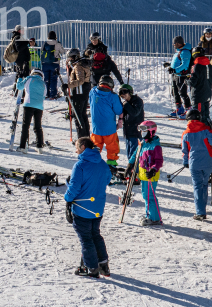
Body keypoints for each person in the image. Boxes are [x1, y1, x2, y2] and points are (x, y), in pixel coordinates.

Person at [64, 137, 112, 279]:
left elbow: (74, 188)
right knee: (95, 234)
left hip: (82, 208)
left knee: (86, 238)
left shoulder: (80, 165)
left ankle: (91, 268)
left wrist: (67, 198)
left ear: (84, 147)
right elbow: (107, 179)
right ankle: (103, 265)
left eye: (77, 147)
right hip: (97, 208)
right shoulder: (102, 163)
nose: (76, 150)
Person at [181, 110, 212, 221]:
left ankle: (200, 212)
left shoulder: (185, 133)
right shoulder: (206, 130)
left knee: (197, 186)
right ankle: (203, 208)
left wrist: (185, 162)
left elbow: (184, 151)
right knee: (204, 184)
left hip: (194, 163)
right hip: (208, 162)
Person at [133, 121, 163, 226]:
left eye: (144, 130)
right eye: (141, 130)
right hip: (144, 175)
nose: (142, 132)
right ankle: (150, 215)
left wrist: (153, 169)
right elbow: (135, 154)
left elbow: (159, 161)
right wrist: (130, 164)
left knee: (150, 196)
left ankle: (154, 218)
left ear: (151, 131)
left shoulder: (156, 145)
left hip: (151, 175)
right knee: (146, 196)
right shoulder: (143, 143)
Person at [89, 76, 123, 168]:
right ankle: (111, 163)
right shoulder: (113, 96)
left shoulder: (92, 92)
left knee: (95, 146)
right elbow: (119, 111)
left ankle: (92, 163)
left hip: (96, 128)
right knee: (112, 146)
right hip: (109, 129)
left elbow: (90, 102)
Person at [15, 70, 46, 153]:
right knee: (38, 126)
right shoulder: (43, 83)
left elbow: (19, 87)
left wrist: (19, 79)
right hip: (40, 106)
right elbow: (44, 96)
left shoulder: (29, 78)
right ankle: (40, 146)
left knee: (25, 126)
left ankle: (23, 146)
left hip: (28, 104)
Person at [65, 49, 92, 139]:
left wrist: (68, 85)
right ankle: (86, 136)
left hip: (79, 92)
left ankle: (82, 137)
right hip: (84, 91)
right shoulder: (83, 64)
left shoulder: (78, 66)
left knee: (78, 114)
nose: (70, 60)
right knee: (83, 114)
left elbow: (80, 80)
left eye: (71, 58)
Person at [188, 47, 212, 128]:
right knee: (206, 115)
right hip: (207, 93)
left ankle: (201, 134)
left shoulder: (196, 66)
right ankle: (209, 131)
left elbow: (193, 82)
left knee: (198, 116)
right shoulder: (209, 65)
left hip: (198, 95)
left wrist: (187, 80)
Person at [166, 36, 193, 118]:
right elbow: (177, 62)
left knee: (182, 93)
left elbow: (185, 64)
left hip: (182, 75)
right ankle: (179, 109)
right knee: (174, 92)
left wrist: (175, 70)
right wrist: (169, 65)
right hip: (176, 75)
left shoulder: (185, 52)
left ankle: (188, 110)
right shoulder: (178, 51)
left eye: (174, 43)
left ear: (178, 43)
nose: (173, 44)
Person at [118, 84, 144, 161]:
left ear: (130, 92)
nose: (123, 95)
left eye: (124, 92)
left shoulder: (138, 101)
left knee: (135, 153)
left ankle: (136, 169)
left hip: (135, 131)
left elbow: (135, 112)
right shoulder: (125, 103)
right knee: (129, 153)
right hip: (128, 132)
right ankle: (131, 168)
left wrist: (126, 105)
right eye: (121, 93)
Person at [41, 31, 64, 99]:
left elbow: (42, 51)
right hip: (54, 64)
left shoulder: (45, 43)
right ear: (55, 37)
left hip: (45, 64)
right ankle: (53, 94)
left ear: (48, 37)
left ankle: (46, 94)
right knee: (53, 79)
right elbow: (62, 51)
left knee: (46, 79)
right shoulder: (57, 43)